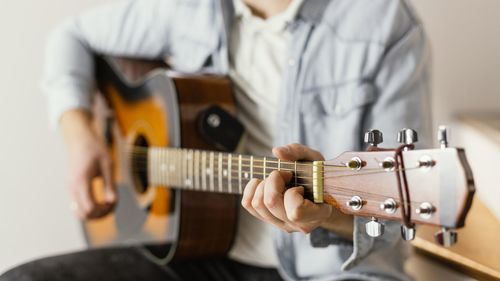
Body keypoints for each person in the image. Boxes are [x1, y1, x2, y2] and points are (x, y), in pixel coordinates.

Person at [1, 0, 432, 280]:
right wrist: (80, 136)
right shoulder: (188, 8)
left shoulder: (384, 24)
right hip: (197, 256)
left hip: (333, 270)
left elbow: (396, 215)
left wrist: (328, 218)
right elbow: (70, 36)